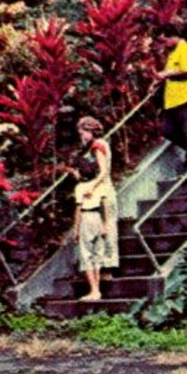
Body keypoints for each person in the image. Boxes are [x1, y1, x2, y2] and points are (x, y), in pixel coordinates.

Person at [69, 117, 117, 301]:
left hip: (101, 191)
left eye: (82, 132)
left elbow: (103, 170)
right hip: (99, 192)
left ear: (90, 130)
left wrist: (92, 185)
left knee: (107, 231)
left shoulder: (97, 145)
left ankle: (107, 268)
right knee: (103, 233)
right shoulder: (95, 146)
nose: (81, 136)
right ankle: (103, 271)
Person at [154, 25, 187, 165]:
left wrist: (166, 74)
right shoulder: (172, 54)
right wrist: (156, 83)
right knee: (166, 129)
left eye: (164, 40)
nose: (164, 44)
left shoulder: (186, 49)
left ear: (171, 36)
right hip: (172, 100)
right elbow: (168, 76)